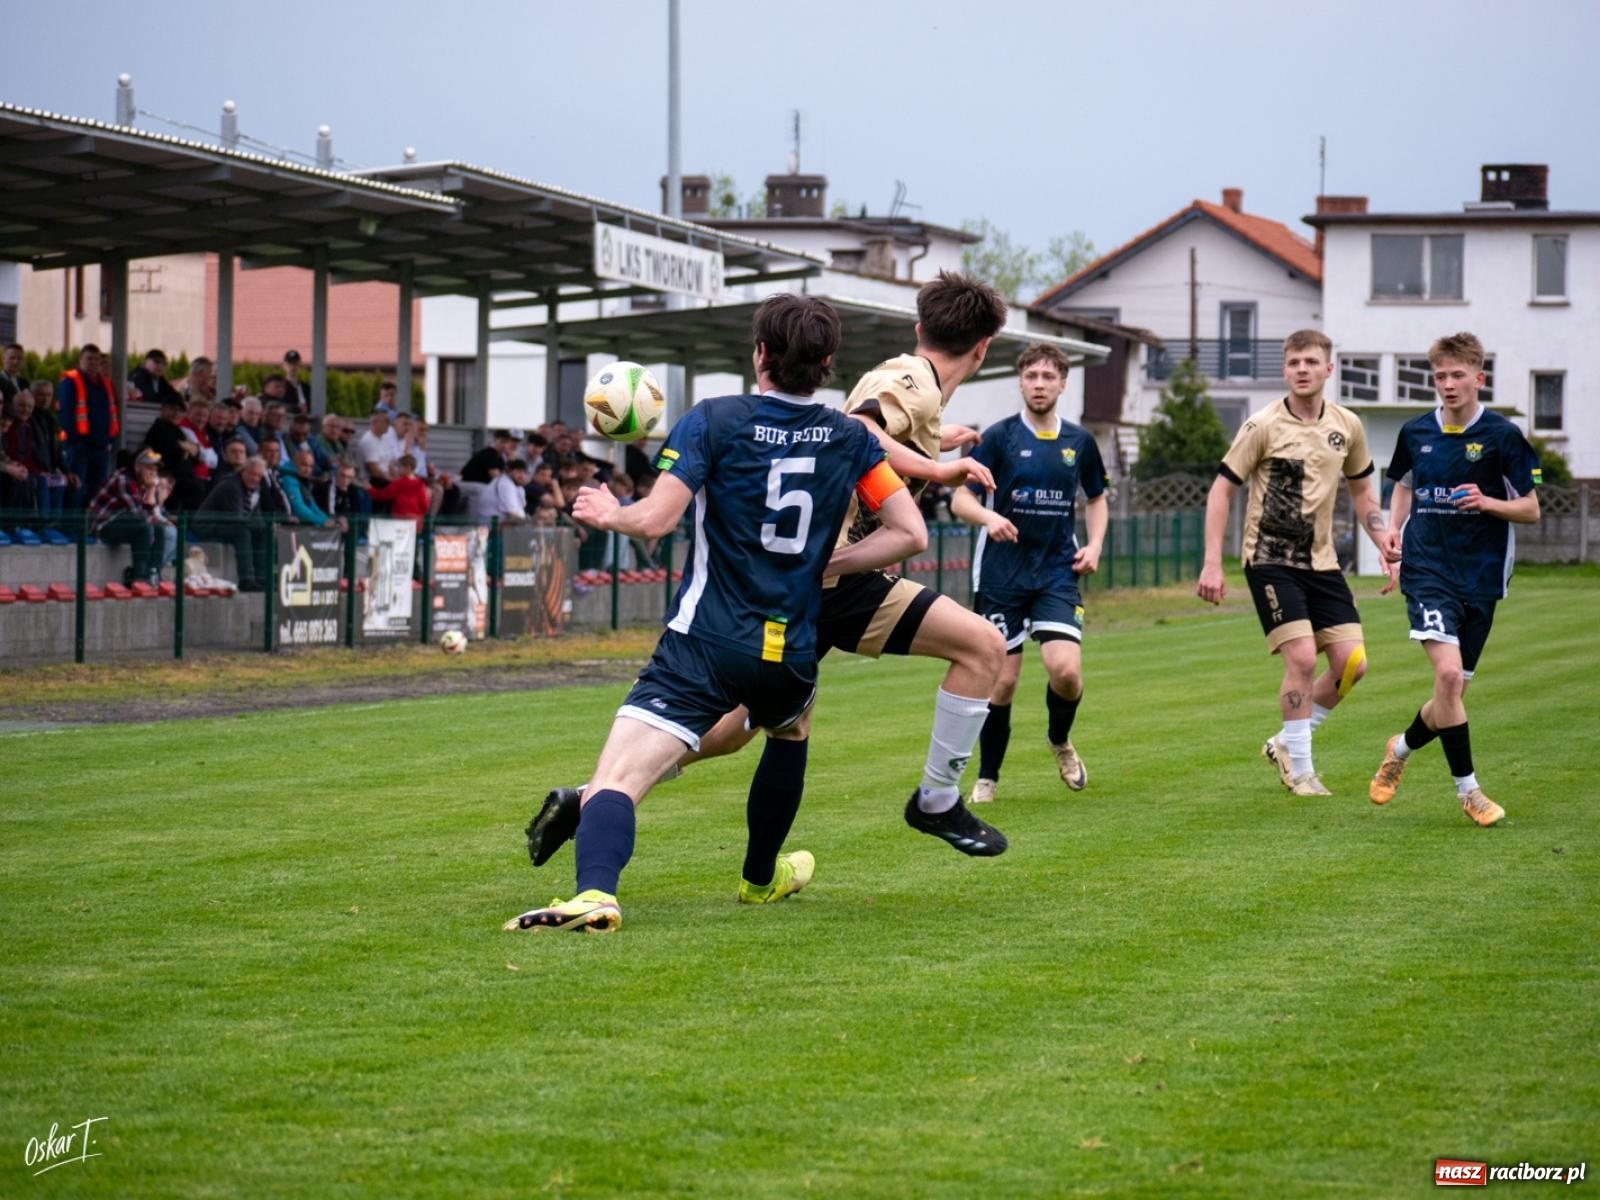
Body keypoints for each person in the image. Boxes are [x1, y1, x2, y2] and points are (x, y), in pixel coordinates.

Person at [525, 271, 1011, 876]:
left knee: (737, 729)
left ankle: (600, 794)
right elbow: (861, 430)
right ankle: (934, 801)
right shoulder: (909, 378)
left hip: (804, 585)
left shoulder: (911, 391)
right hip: (829, 580)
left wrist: (934, 455)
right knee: (983, 647)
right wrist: (937, 471)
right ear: (986, 345)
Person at [1196, 329, 1394, 796]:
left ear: (1328, 369)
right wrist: (1211, 563)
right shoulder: (1262, 425)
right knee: (1303, 658)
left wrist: (1383, 539)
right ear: (1284, 370)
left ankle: (1286, 741)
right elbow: (1221, 490)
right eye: (1293, 363)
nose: (1301, 370)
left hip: (1322, 564)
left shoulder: (1347, 425)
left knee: (1353, 664)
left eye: (1310, 362)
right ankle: (1302, 770)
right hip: (1268, 559)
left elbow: (1363, 490)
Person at [1368, 332, 1542, 826]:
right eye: (1439, 376)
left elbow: (1532, 509)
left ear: (1478, 379)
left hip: (1482, 577)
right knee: (1446, 676)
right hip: (1427, 570)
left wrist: (1487, 502)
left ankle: (1400, 748)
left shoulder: (1504, 437)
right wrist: (1393, 534)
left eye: (1457, 375)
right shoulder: (1415, 432)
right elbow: (1402, 487)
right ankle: (1470, 791)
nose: (1447, 384)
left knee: (1452, 696)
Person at [949, 343, 1110, 801]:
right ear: (1020, 382)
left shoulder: (1079, 442)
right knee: (1002, 681)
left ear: (1062, 383)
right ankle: (988, 776)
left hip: (1057, 571)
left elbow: (1096, 498)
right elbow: (960, 498)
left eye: (1048, 376)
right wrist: (989, 517)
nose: (1039, 384)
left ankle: (1059, 740)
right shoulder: (997, 438)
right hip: (1001, 575)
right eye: (1032, 376)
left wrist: (1095, 544)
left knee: (1066, 672)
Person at [88, 449, 175, 587]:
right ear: (137, 466)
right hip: (103, 524)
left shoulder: (142, 483)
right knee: (144, 528)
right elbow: (139, 514)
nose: (152, 473)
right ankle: (139, 578)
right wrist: (151, 489)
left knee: (159, 528)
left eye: (155, 469)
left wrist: (151, 489)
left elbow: (149, 516)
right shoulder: (124, 479)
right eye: (148, 468)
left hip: (123, 521)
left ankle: (153, 574)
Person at [193, 456, 270, 591]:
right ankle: (247, 580)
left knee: (264, 532)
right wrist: (256, 524)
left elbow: (256, 516)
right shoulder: (231, 485)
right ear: (243, 471)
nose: (255, 479)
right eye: (252, 474)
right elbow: (237, 517)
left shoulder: (256, 488)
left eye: (259, 476)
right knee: (243, 532)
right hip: (207, 525)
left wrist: (263, 526)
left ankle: (262, 578)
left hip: (231, 524)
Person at [58, 343, 119, 507]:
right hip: (79, 446)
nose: (93, 362)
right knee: (76, 488)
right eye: (89, 358)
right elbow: (65, 414)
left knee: (96, 490)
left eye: (97, 359)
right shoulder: (71, 381)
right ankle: (71, 527)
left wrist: (110, 440)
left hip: (101, 446)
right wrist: (76, 441)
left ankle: (88, 526)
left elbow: (111, 413)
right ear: (80, 360)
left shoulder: (105, 384)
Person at [140, 394, 206, 511]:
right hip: (168, 475)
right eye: (172, 409)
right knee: (196, 488)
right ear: (163, 409)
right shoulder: (159, 428)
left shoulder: (177, 430)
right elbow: (177, 453)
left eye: (180, 410)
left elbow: (196, 455)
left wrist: (189, 449)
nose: (176, 413)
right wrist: (187, 449)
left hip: (185, 475)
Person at [366, 453, 432, 527]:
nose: (397, 469)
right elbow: (424, 505)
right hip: (416, 522)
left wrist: (369, 489)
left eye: (399, 466)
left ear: (407, 468)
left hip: (399, 520)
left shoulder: (398, 483)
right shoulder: (421, 485)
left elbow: (383, 495)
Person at [358, 407, 400, 486]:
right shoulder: (368, 441)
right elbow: (375, 471)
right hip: (374, 481)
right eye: (386, 421)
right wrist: (394, 482)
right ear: (374, 423)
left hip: (386, 478)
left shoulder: (384, 438)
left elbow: (389, 464)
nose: (389, 424)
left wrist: (398, 478)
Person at [0, 342, 28, 406]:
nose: (15, 362)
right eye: (12, 358)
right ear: (3, 359)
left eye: (19, 358)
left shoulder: (24, 383)